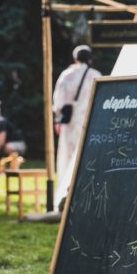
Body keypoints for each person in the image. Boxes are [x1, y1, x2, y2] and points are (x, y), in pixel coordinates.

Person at [52, 45, 101, 209]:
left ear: (75, 58)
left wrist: (57, 120)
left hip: (70, 123)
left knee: (67, 157)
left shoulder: (67, 75)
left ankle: (65, 193)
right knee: (86, 157)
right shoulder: (96, 75)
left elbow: (58, 101)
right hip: (89, 122)